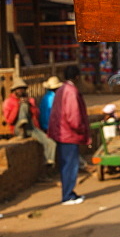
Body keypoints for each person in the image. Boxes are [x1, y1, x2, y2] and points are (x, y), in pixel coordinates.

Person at [47, 64, 90, 205]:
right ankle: (68, 195)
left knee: (67, 165)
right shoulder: (71, 92)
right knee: (70, 166)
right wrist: (81, 129)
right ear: (77, 77)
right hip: (69, 133)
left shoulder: (61, 90)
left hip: (61, 132)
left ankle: (69, 192)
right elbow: (74, 116)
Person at [2, 77, 56, 166]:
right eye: (18, 89)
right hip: (17, 128)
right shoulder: (9, 102)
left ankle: (49, 161)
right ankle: (22, 123)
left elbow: (36, 114)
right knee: (23, 106)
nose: (21, 91)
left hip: (31, 127)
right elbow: (9, 120)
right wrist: (18, 106)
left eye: (22, 89)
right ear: (14, 90)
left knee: (50, 142)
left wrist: (30, 105)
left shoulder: (30, 100)